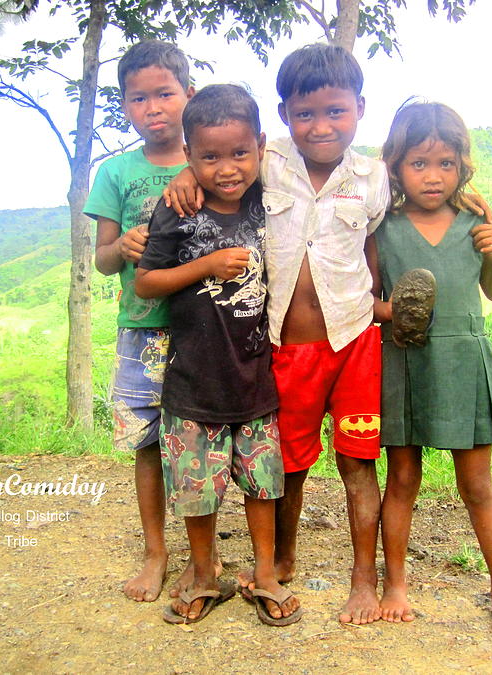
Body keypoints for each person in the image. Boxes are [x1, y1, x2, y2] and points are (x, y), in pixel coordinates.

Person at [165, 43, 390, 624]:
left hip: (355, 341)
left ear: (360, 108)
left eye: (336, 112)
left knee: (359, 462)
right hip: (286, 347)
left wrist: (384, 306)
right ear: (284, 115)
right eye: (305, 113)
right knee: (287, 463)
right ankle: (281, 562)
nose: (321, 126)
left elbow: (374, 246)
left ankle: (363, 579)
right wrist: (185, 176)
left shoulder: (373, 176)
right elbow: (221, 164)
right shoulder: (268, 163)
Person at [135, 84, 301, 626]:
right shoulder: (178, 209)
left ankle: (265, 573)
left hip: (255, 380)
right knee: (197, 490)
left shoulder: (268, 196)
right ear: (188, 156)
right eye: (208, 157)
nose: (227, 168)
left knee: (261, 484)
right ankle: (205, 572)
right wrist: (205, 267)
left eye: (239, 153)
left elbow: (296, 150)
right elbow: (147, 283)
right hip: (192, 384)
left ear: (258, 146)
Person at [369, 98, 492, 636]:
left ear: (463, 165)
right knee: (403, 478)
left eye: (445, 164)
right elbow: (367, 299)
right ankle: (395, 583)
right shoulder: (383, 227)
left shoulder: (475, 222)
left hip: (462, 359)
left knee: (477, 485)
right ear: (395, 166)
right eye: (418, 163)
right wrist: (394, 311)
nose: (432, 177)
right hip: (405, 360)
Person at [83, 40, 211, 603]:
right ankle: (156, 551)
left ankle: (201, 557)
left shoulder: (211, 159)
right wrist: (126, 246)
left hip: (205, 325)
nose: (153, 108)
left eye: (165, 93)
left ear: (188, 93)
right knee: (147, 444)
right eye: (139, 99)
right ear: (126, 107)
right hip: (141, 327)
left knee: (198, 442)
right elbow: (102, 256)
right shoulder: (115, 172)